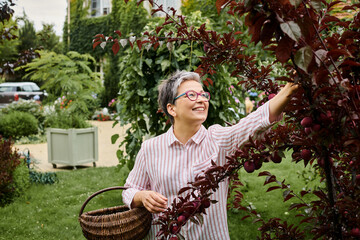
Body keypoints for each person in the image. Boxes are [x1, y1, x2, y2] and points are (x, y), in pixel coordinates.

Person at [122, 70, 298, 239]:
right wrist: (141, 197)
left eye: (203, 95)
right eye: (192, 95)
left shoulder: (217, 140)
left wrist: (289, 90)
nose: (201, 100)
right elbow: (129, 189)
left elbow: (251, 124)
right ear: (172, 109)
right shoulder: (150, 148)